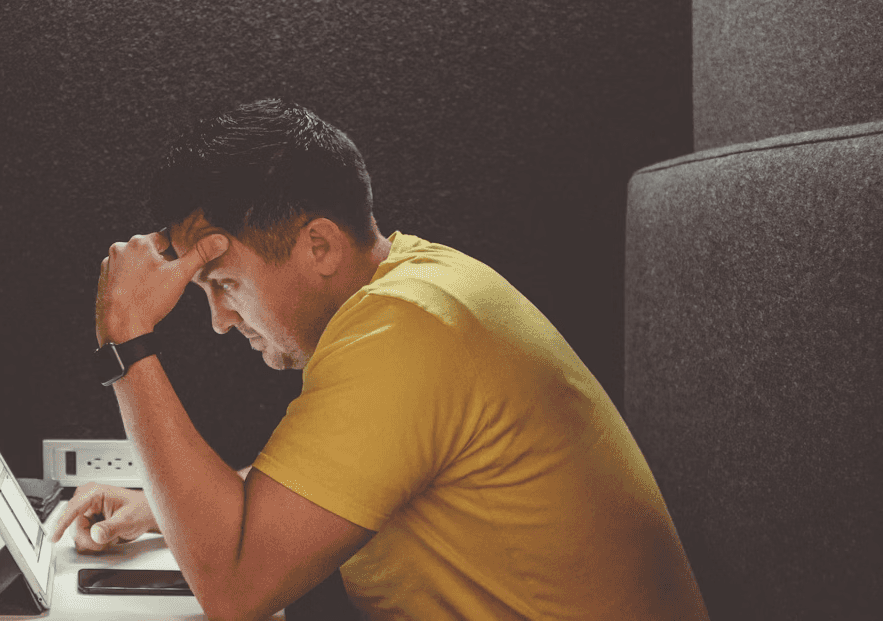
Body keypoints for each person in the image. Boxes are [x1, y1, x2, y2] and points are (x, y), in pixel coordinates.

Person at [52, 100, 709, 621]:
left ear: (319, 247)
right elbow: (362, 471)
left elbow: (235, 589)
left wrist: (127, 339)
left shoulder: (405, 326)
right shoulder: (424, 286)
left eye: (223, 284)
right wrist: (162, 507)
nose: (221, 322)